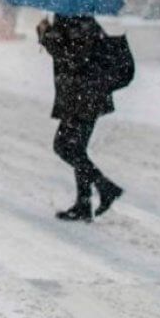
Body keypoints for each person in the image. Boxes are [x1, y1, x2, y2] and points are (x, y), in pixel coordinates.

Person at [37, 15, 124, 222]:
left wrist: (46, 34)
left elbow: (71, 56)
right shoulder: (83, 18)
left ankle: (105, 186)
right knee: (76, 148)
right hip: (88, 95)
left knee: (64, 146)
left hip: (82, 96)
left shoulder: (73, 20)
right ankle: (84, 203)